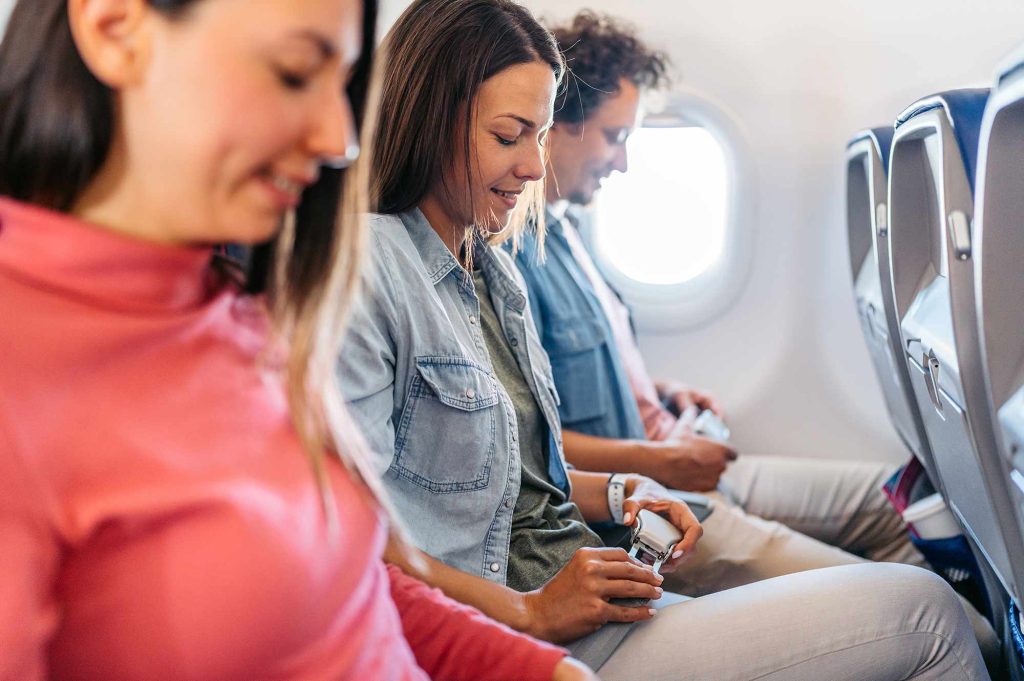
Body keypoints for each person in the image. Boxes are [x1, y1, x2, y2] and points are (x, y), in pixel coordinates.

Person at [338, 0, 990, 678]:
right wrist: (527, 611)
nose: (535, 168)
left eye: (539, 137)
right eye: (509, 135)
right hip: (534, 637)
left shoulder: (491, 270)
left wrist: (625, 491)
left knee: (913, 595)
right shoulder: (369, 270)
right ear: (427, 122)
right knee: (925, 614)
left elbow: (513, 482)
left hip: (591, 595)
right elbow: (357, 540)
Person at [0, 1, 596, 679]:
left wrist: (541, 668)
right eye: (292, 74)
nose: (337, 136)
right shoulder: (23, 368)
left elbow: (345, 586)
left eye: (342, 89)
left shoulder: (234, 310)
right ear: (115, 30)